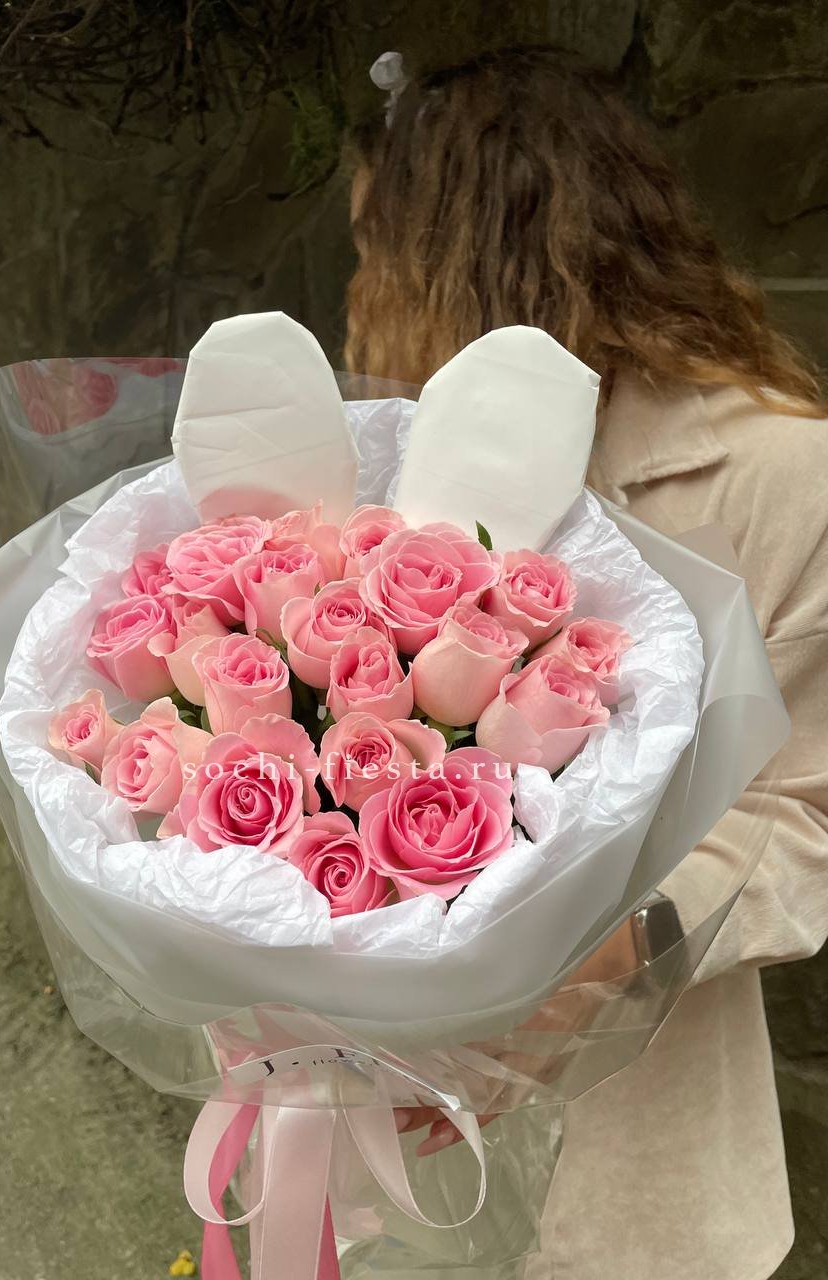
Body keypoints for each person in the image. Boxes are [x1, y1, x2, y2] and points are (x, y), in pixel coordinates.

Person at [345, 47, 828, 1280]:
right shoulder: (381, 464)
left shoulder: (780, 472)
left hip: (646, 1150)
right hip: (390, 1142)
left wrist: (609, 950)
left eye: (371, 249)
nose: (354, 290)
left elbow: (811, 818)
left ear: (456, 255)